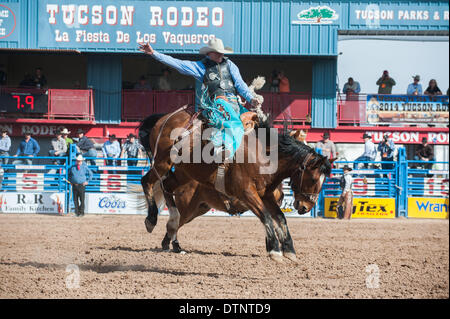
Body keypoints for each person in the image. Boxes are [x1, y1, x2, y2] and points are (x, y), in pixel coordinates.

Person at [138, 38, 259, 161]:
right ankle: (222, 148)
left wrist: (251, 98)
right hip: (217, 102)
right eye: (217, 52)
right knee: (234, 122)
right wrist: (154, 53)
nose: (221, 54)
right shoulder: (200, 67)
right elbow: (177, 63)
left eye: (221, 52)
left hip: (234, 102)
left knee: (252, 120)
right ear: (209, 53)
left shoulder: (230, 65)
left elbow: (240, 84)